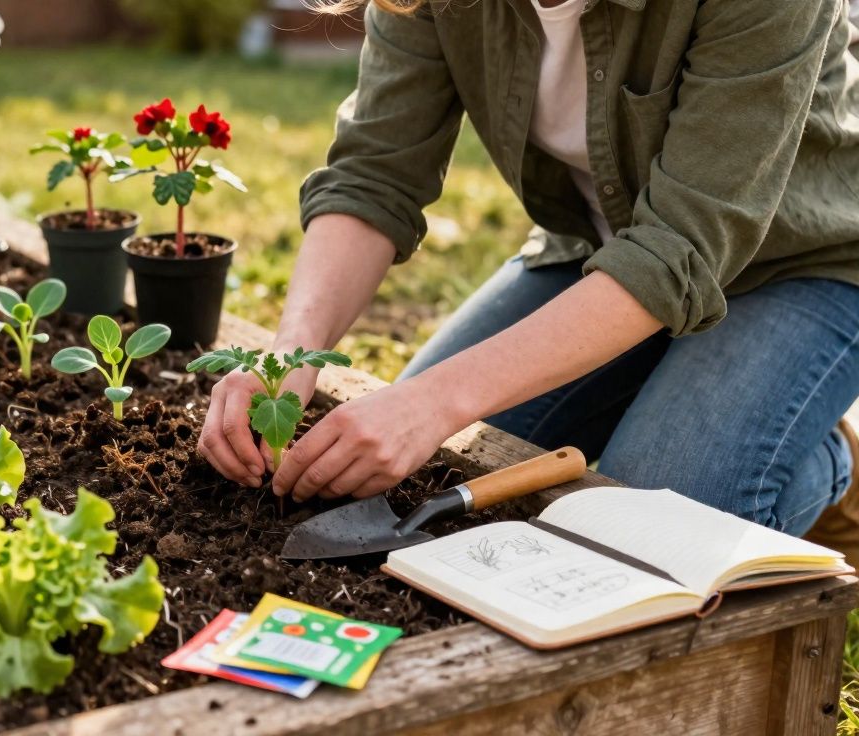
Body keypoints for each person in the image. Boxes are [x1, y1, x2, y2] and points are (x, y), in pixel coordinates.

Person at [196, 0, 859, 555]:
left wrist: (433, 401)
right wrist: (289, 353)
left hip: (803, 263)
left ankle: (821, 454)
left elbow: (682, 247)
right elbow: (375, 172)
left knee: (642, 530)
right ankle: (681, 391)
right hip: (601, 247)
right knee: (428, 483)